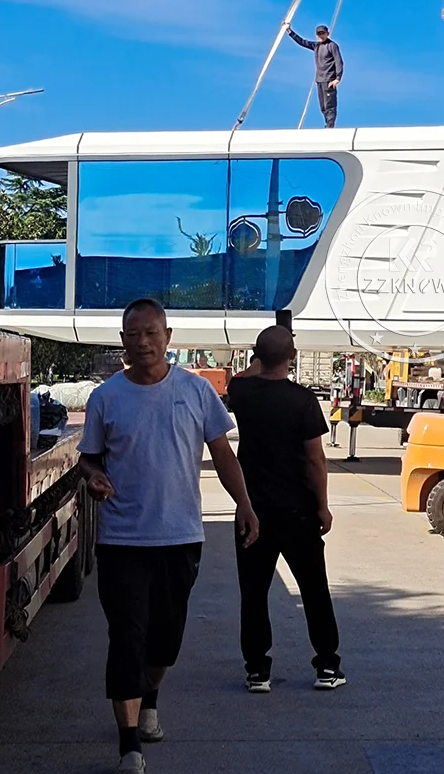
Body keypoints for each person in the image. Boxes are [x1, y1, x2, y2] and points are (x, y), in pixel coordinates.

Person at [78, 298, 260, 774]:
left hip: (180, 536)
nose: (143, 343)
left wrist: (244, 503)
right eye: (133, 335)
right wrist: (92, 476)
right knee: (127, 637)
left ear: (168, 336)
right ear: (122, 341)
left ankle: (151, 696)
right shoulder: (105, 399)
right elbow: (89, 458)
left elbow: (223, 455)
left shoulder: (197, 393)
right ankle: (129, 745)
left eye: (151, 334)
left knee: (165, 640)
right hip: (121, 540)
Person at [226, 324, 345, 693]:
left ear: (258, 356)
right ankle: (327, 667)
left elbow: (245, 374)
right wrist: (322, 506)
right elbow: (315, 461)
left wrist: (260, 356)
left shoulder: (241, 392)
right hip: (298, 511)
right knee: (313, 589)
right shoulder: (303, 400)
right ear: (292, 359)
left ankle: (257, 670)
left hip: (253, 509)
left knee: (254, 592)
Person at [286, 23, 344, 128]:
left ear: (327, 33)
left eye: (323, 33)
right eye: (319, 34)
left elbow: (339, 61)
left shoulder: (332, 46)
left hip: (329, 80)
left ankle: (330, 126)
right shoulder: (316, 46)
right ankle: (328, 124)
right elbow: (302, 42)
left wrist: (337, 78)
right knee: (323, 106)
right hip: (320, 80)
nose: (321, 36)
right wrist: (289, 31)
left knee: (330, 106)